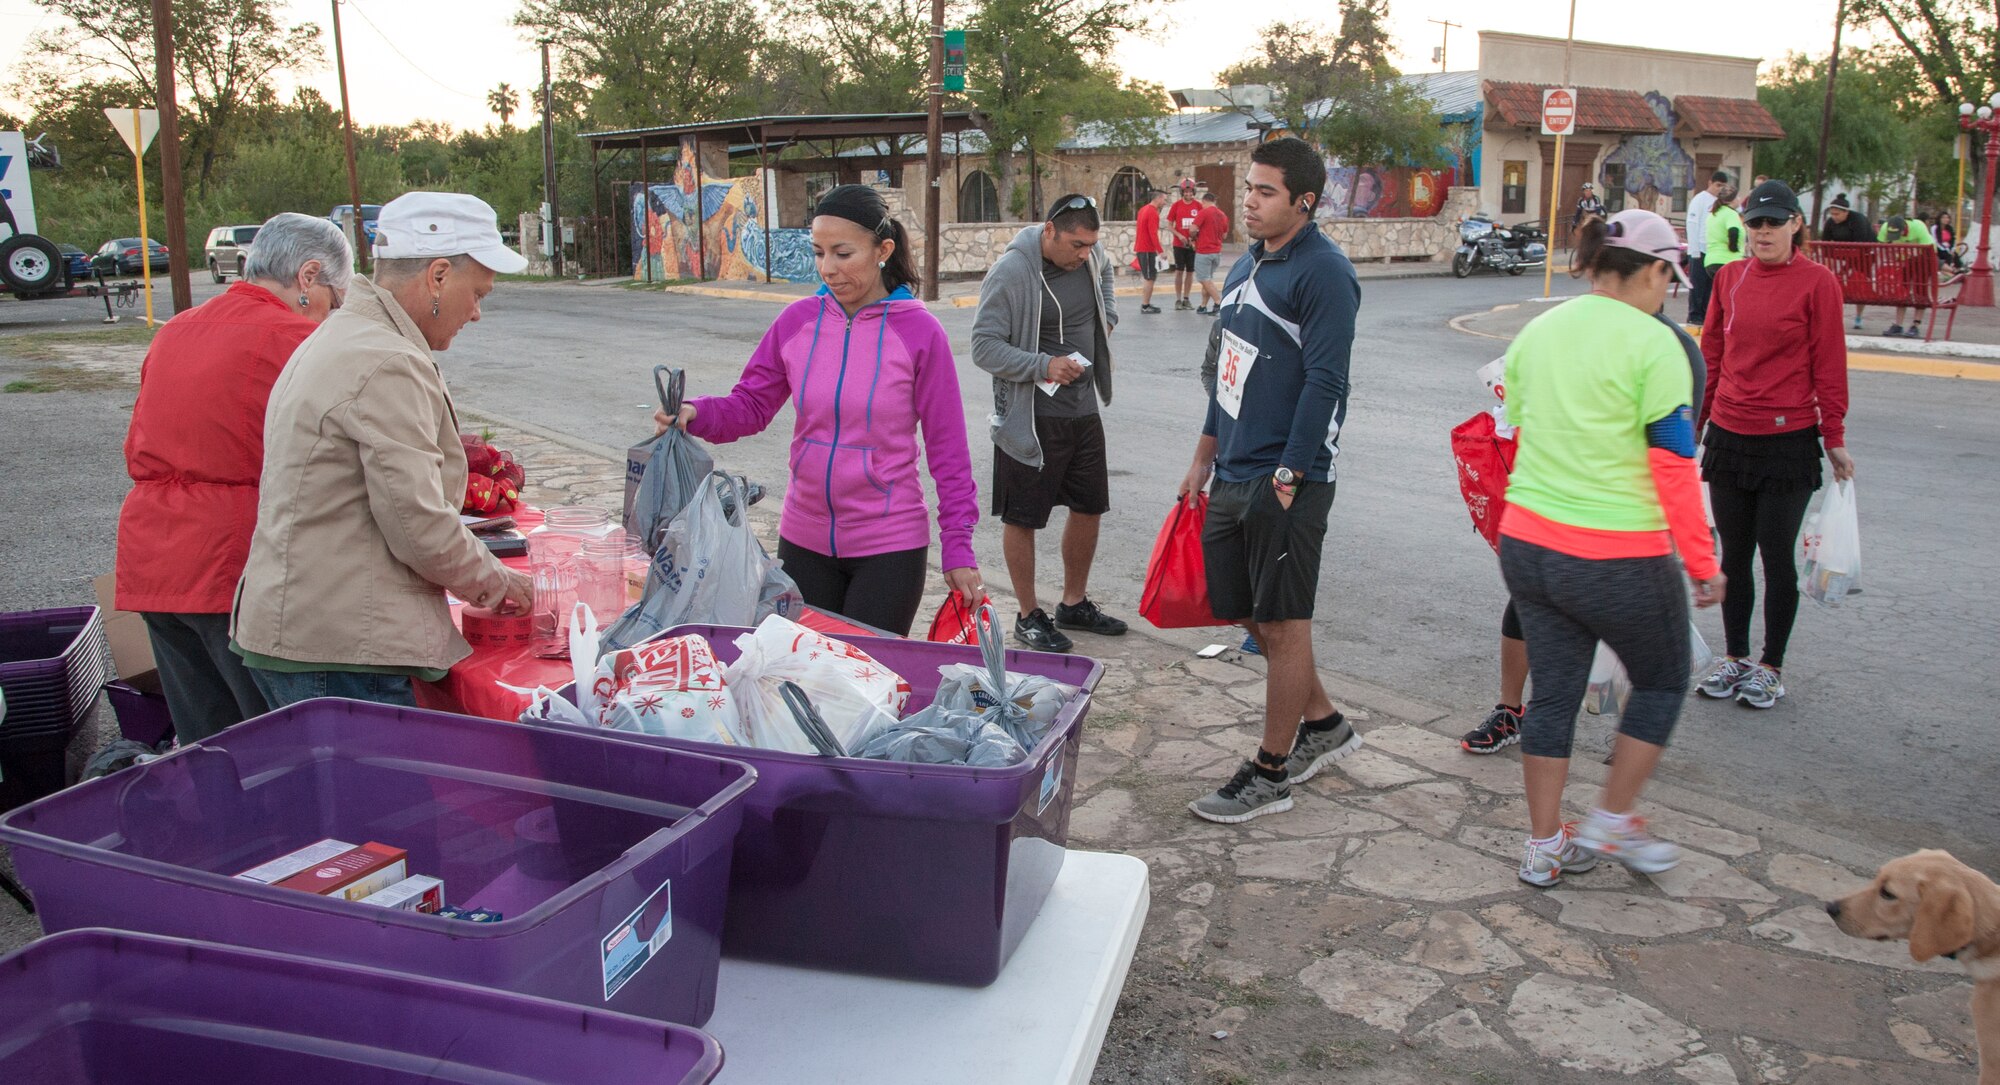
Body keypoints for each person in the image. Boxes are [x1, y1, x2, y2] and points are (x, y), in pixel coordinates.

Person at [232, 193, 534, 709]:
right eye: (478, 293)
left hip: (309, 626)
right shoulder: (386, 358)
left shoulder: (349, 334)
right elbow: (417, 524)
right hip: (342, 646)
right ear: (438, 276)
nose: (477, 313)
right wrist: (500, 584)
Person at [1499, 209, 1724, 885]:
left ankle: (1543, 845)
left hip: (1529, 543)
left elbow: (1516, 419)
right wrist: (1704, 561)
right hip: (1617, 553)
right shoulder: (1658, 345)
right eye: (1669, 277)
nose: (1671, 291)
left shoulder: (1537, 331)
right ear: (1653, 270)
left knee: (1554, 692)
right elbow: (1675, 467)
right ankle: (1612, 818)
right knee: (1660, 677)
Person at [656, 185, 981, 636]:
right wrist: (697, 413)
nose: (828, 268)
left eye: (843, 253)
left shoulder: (920, 332)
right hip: (803, 540)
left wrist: (958, 548)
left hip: (889, 546)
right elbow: (751, 404)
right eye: (819, 252)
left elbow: (949, 450)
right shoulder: (797, 322)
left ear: (882, 250)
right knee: (799, 678)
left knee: (866, 686)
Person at [1178, 137, 1363, 823]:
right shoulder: (1245, 265)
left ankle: (1271, 771)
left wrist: (1289, 470)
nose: (1247, 202)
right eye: (1247, 189)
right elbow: (1227, 368)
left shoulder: (1324, 274)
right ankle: (1325, 724)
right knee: (1243, 607)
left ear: (1304, 201)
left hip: (1290, 476)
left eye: (1264, 192)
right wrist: (1203, 452)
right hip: (1231, 464)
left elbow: (1326, 382)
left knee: (1283, 623)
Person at [113, 214, 353, 741]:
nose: (331, 315)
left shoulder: (178, 328)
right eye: (335, 300)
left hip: (154, 561)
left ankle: (220, 824)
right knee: (268, 745)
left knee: (205, 742)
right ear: (308, 277)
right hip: (231, 568)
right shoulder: (295, 339)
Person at [1461, 309, 1706, 755]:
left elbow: (1677, 449)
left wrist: (1692, 549)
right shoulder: (1564, 326)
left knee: (1639, 640)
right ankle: (1512, 712)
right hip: (1550, 514)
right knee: (1528, 621)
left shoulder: (1671, 347)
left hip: (1628, 526)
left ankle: (1631, 732)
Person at [1697, 179, 1854, 710]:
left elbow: (1829, 365)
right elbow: (1712, 352)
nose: (1762, 232)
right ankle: (1736, 656)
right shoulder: (1730, 279)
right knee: (1733, 556)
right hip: (1729, 434)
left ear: (1795, 225)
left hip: (1786, 439)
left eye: (1773, 222)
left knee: (1775, 558)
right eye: (1754, 223)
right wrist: (1698, 421)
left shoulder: (1817, 284)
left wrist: (1833, 437)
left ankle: (1770, 666)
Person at [972, 192, 1125, 652]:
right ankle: (1027, 614)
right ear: (1050, 230)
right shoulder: (1014, 271)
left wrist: (1107, 318)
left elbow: (1108, 281)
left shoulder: (1093, 257)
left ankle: (1073, 604)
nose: (1085, 254)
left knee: (1089, 506)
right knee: (1023, 517)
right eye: (1077, 244)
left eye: (1091, 245)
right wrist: (1043, 365)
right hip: (1031, 418)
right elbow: (983, 346)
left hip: (1082, 410)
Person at [1819, 194, 1874, 330]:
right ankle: (1834, 315)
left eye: (1837, 214)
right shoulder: (1831, 222)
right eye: (1832, 214)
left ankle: (1858, 316)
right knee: (1836, 283)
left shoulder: (1858, 220)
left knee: (1860, 285)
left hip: (1864, 256)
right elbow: (1825, 245)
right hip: (1842, 256)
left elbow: (1860, 244)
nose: (1834, 217)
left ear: (1846, 212)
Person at [1878, 214, 1937, 338]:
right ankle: (1898, 325)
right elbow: (1882, 245)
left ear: (1905, 228)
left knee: (1920, 290)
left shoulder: (1919, 227)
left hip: (1924, 257)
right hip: (1905, 259)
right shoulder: (1885, 228)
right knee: (1902, 291)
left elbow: (1929, 250)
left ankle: (1915, 325)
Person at [1683, 171, 1730, 326]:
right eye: (1717, 185)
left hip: (1714, 251)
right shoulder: (1700, 200)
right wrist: (1694, 250)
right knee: (1697, 285)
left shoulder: (1721, 203)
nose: (1719, 189)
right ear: (1710, 183)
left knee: (1710, 287)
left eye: (1723, 186)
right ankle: (1695, 316)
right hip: (1700, 250)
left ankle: (1705, 315)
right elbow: (1693, 224)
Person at [1192, 190, 1230, 315]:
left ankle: (1219, 302)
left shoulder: (1204, 212)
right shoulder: (1223, 215)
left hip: (1204, 251)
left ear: (1204, 201)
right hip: (1216, 252)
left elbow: (1192, 228)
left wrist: (1193, 237)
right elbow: (1224, 235)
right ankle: (1203, 306)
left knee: (1204, 279)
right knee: (1207, 280)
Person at [1168, 179, 1202, 311]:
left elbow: (1201, 224)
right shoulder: (1176, 206)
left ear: (1193, 192)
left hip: (1193, 245)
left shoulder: (1198, 206)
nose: (1188, 193)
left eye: (1190, 191)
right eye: (1186, 191)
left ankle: (1186, 298)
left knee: (1190, 272)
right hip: (1179, 244)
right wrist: (1180, 236)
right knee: (1179, 271)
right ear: (1182, 192)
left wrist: (1194, 238)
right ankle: (1178, 299)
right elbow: (1170, 225)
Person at [1135, 188, 1168, 314]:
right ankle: (1145, 305)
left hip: (1142, 248)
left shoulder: (1143, 209)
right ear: (1158, 198)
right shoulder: (1153, 212)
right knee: (1150, 278)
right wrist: (1160, 251)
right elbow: (1152, 233)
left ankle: (1146, 303)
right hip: (1147, 249)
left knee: (1149, 277)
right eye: (1164, 200)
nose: (1165, 202)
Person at [1704, 184, 1744, 280]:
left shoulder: (1713, 214)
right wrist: (1733, 248)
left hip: (1711, 261)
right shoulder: (1731, 214)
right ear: (1733, 199)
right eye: (1737, 196)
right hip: (1727, 260)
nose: (1739, 198)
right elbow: (1733, 231)